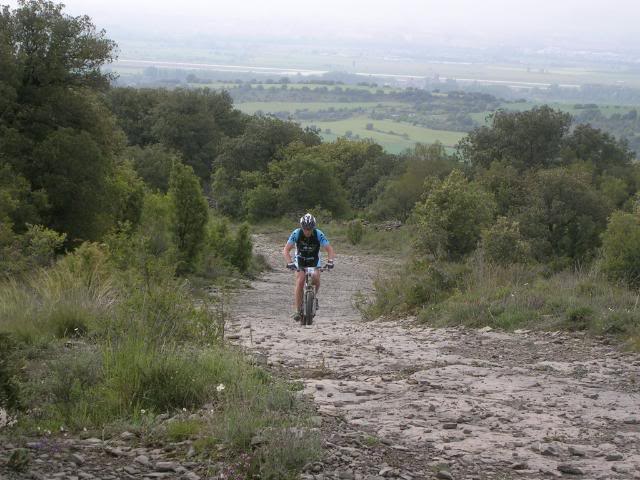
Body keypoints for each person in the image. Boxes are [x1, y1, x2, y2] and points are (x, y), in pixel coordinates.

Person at [283, 213, 335, 321]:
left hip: (314, 260)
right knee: (300, 280)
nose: (307, 231)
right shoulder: (296, 233)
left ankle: (314, 297)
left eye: (310, 229)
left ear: (313, 227)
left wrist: (330, 261)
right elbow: (286, 250)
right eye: (305, 229)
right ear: (302, 227)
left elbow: (329, 249)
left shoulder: (318, 234)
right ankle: (297, 310)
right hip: (300, 260)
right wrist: (289, 262)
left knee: (316, 277)